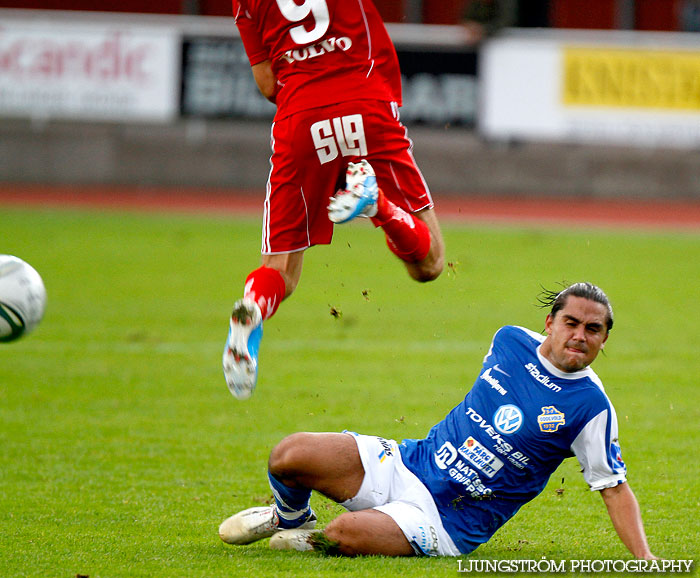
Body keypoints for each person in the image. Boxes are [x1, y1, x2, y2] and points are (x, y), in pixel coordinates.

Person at [218, 282, 659, 559]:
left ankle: (336, 532)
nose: (580, 335)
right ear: (550, 322)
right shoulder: (508, 341)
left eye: (594, 329)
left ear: (605, 337)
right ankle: (291, 520)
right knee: (289, 454)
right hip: (410, 462)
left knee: (344, 534)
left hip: (449, 521)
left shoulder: (591, 407)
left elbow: (614, 488)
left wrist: (645, 561)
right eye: (571, 322)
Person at [222, 0, 445, 400]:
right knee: (430, 264)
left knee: (281, 270)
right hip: (366, 101)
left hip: (300, 118)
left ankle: (253, 307)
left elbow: (267, 82)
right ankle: (377, 205)